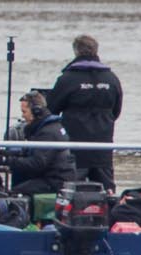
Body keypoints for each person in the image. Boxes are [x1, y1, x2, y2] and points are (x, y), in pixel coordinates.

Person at [46, 35, 123, 190]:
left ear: (76, 52)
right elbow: (117, 110)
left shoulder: (68, 78)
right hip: (103, 143)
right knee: (106, 188)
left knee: (71, 188)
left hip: (75, 143)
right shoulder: (111, 78)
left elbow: (52, 108)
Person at [1, 91, 75, 197]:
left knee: (15, 193)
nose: (22, 116)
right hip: (53, 176)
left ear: (36, 111)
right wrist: (4, 153)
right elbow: (31, 154)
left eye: (24, 112)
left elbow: (37, 163)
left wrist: (7, 161)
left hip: (55, 181)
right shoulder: (48, 127)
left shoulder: (47, 133)